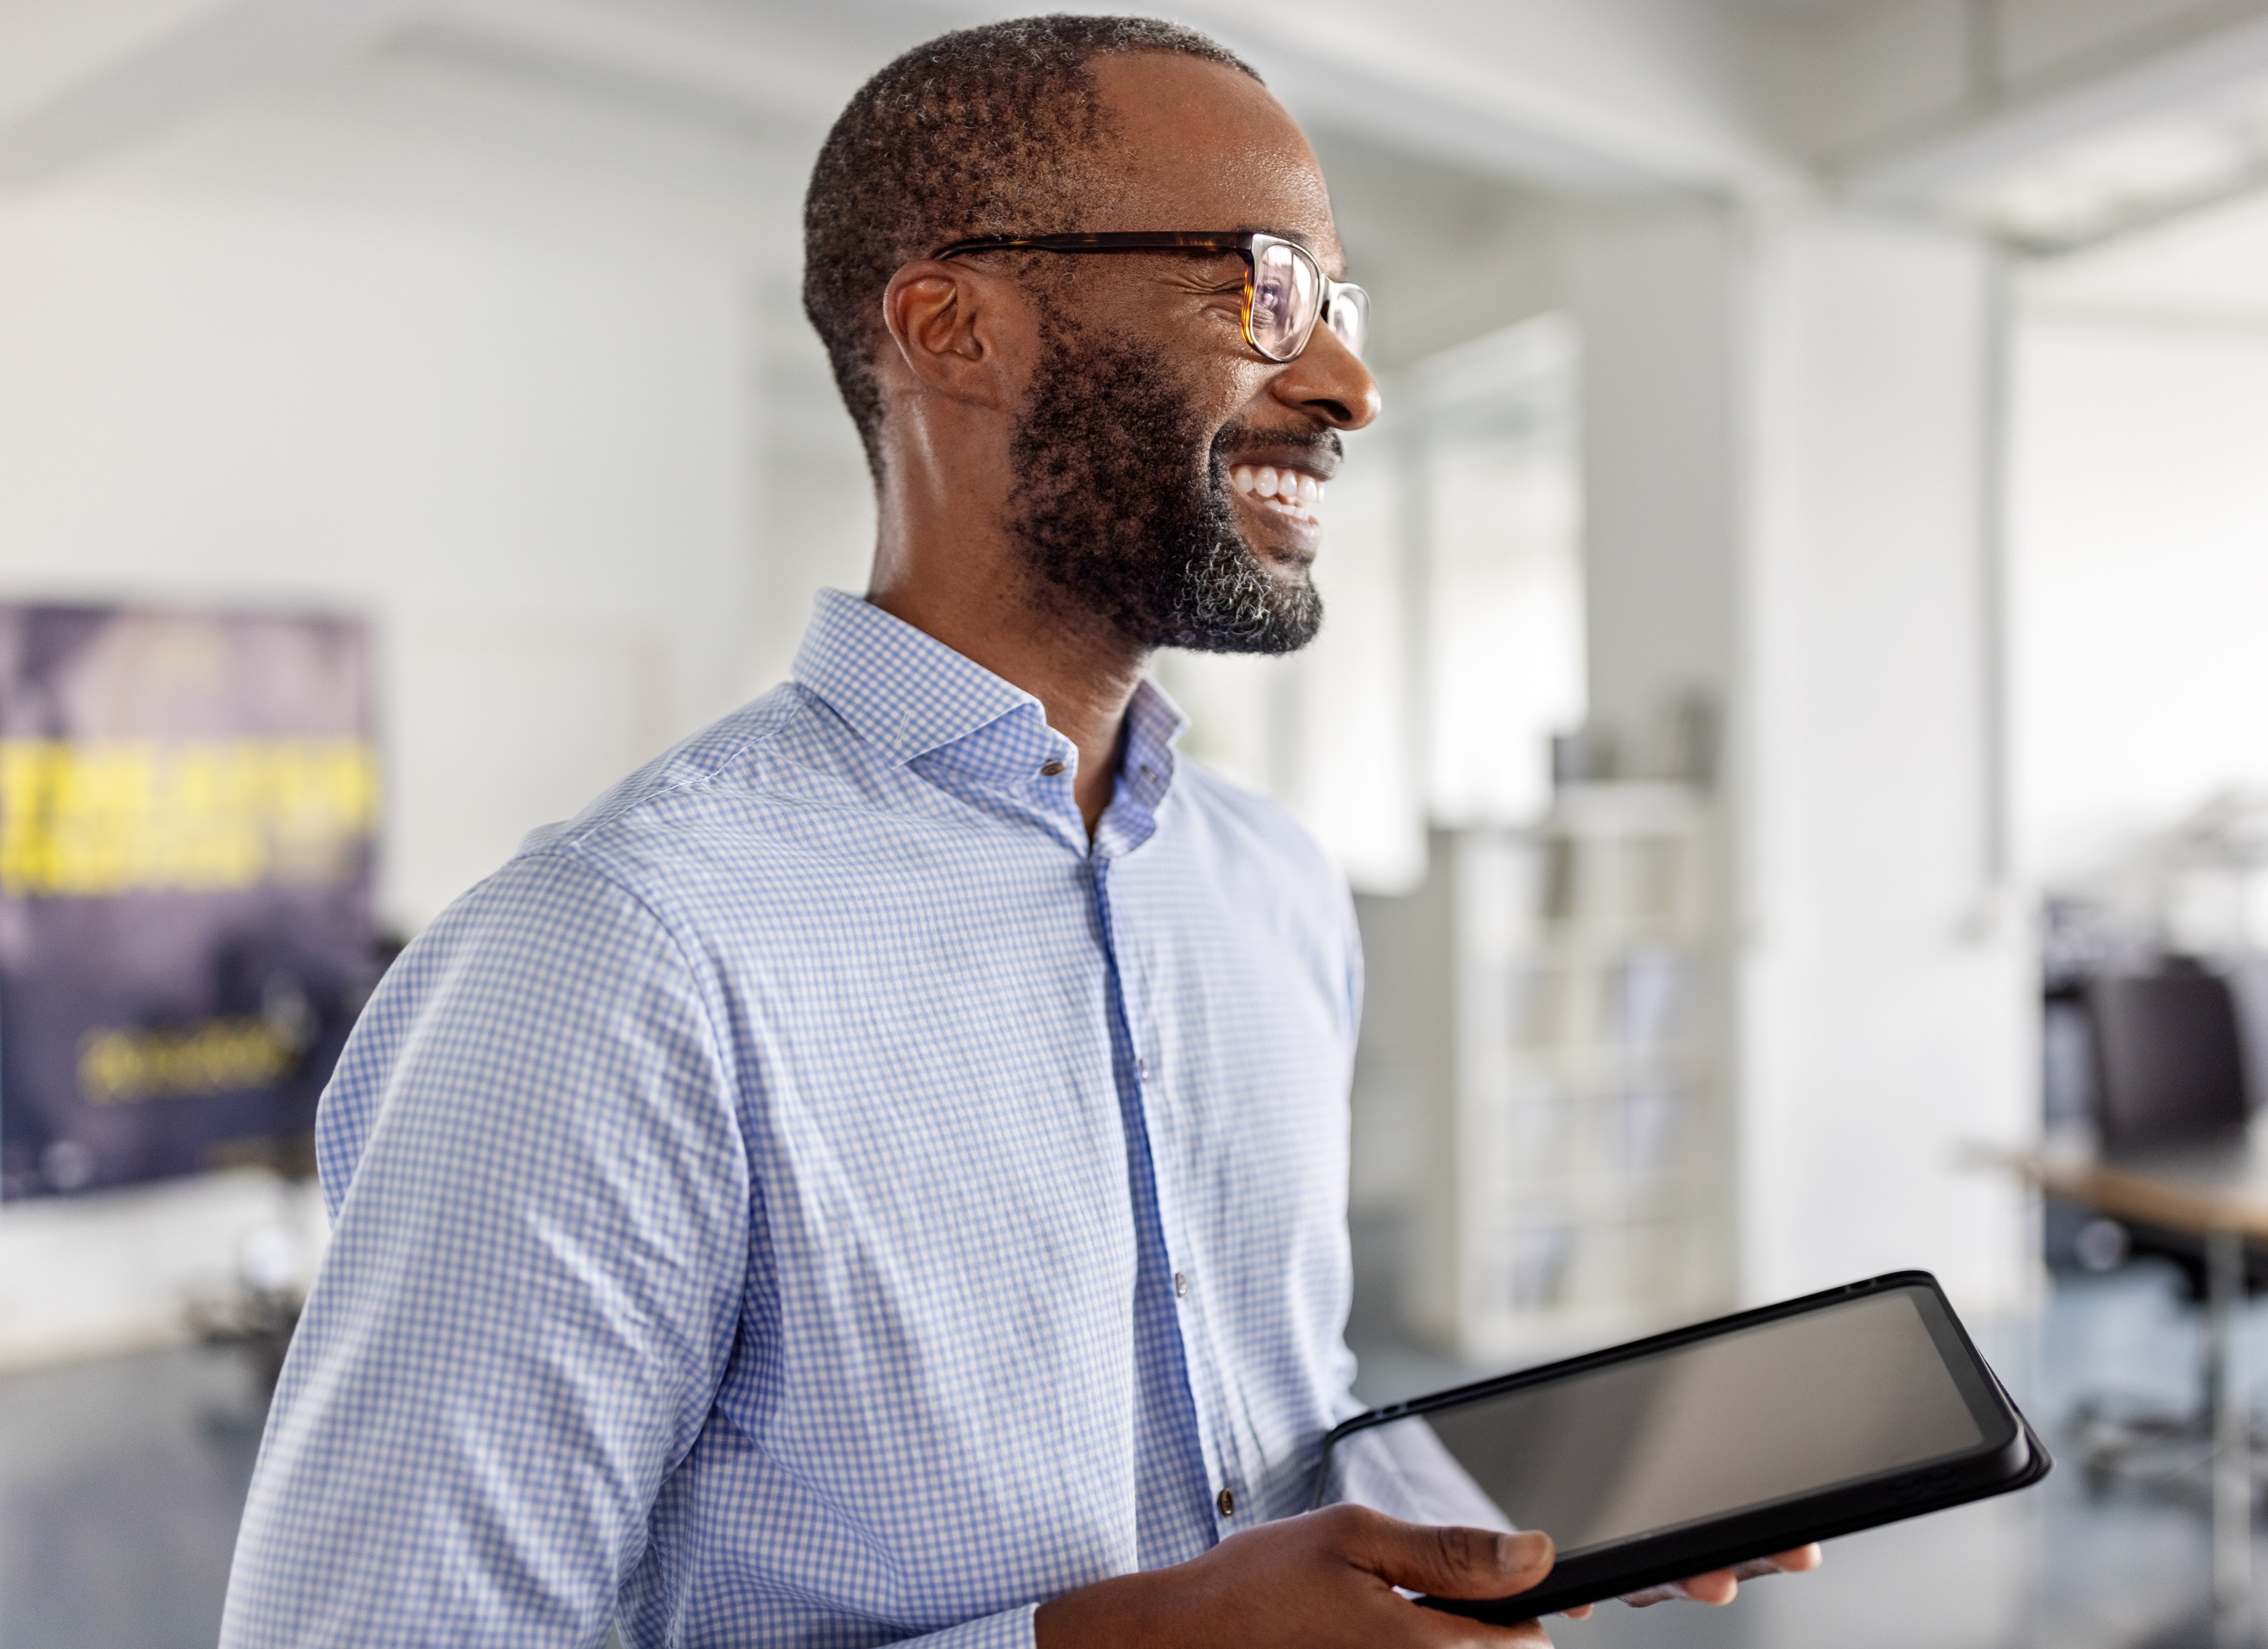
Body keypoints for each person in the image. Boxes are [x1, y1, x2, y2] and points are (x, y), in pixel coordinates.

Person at [220, 16, 1814, 1647]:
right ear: (955, 328)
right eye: (1264, 289)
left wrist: (1485, 1526)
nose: (1348, 383)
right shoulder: (616, 958)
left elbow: (1265, 1430)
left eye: (1340, 305)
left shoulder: (1266, 887)